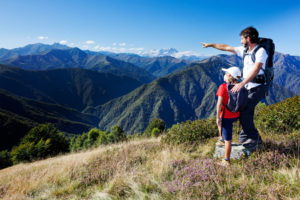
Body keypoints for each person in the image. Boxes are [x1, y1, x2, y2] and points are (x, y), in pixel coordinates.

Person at [201, 26, 268, 149]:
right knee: (246, 111)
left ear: (248, 38)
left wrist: (242, 83)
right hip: (248, 87)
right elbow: (226, 47)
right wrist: (211, 45)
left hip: (257, 87)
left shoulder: (260, 51)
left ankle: (255, 139)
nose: (240, 41)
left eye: (242, 39)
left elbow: (257, 69)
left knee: (244, 111)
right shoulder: (245, 51)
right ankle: (245, 137)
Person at [216, 67, 241, 166]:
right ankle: (221, 138)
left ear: (230, 76)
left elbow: (219, 104)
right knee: (223, 127)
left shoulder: (223, 87)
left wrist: (217, 116)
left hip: (226, 116)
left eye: (226, 73)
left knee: (228, 140)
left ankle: (226, 160)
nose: (225, 75)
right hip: (237, 114)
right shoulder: (240, 86)